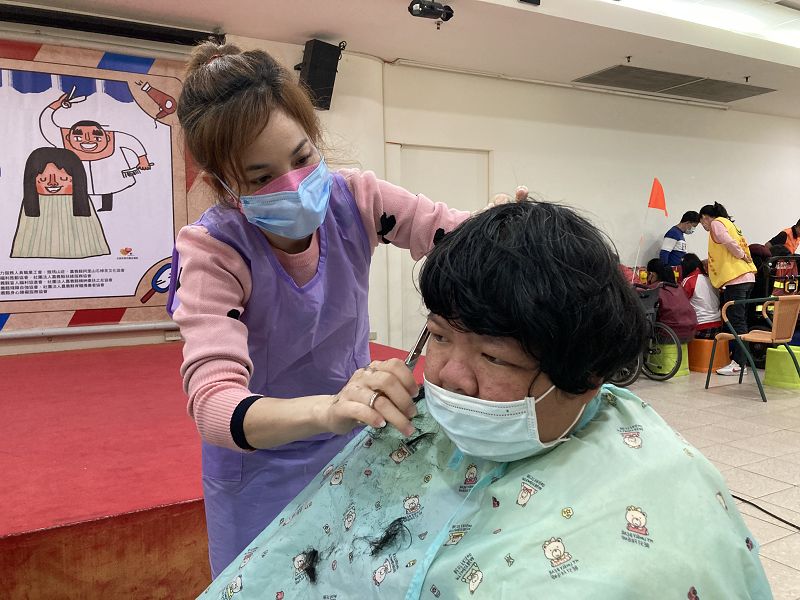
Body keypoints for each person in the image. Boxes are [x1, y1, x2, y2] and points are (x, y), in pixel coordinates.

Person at [199, 201, 771, 599]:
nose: (448, 378)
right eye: (439, 337)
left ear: (587, 374)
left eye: (493, 358)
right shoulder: (412, 426)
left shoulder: (651, 523)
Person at [168, 41, 523, 578]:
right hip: (260, 467)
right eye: (261, 178)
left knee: (355, 575)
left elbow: (452, 233)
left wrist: (503, 225)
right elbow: (216, 407)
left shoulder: (356, 199)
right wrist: (329, 410)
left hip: (354, 441)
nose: (293, 184)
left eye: (302, 157)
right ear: (223, 185)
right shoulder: (213, 252)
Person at [39, 94, 152, 211]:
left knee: (108, 188)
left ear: (107, 137)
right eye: (78, 137)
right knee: (80, 190)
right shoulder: (63, 139)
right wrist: (56, 105)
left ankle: (107, 207)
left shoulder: (113, 137)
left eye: (97, 137)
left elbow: (133, 142)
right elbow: (46, 124)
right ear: (68, 137)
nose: (88, 140)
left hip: (108, 176)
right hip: (80, 179)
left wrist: (142, 159)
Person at [11, 147, 110, 259]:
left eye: (63, 178)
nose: (52, 183)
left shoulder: (80, 205)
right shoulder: (33, 205)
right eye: (43, 180)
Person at [698, 203, 757, 376]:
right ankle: (742, 361)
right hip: (746, 277)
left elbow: (729, 242)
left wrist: (741, 255)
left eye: (702, 222)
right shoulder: (730, 224)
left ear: (705, 217)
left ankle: (739, 364)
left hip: (736, 279)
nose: (703, 226)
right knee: (741, 321)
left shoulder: (716, 223)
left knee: (735, 322)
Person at [646, 258, 698, 342]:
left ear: (652, 274)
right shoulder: (679, 287)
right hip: (689, 333)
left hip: (668, 334)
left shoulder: (655, 289)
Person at [680, 253, 722, 339]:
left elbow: (680, 305)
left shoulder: (688, 281)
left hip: (700, 327)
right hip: (718, 326)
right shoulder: (711, 279)